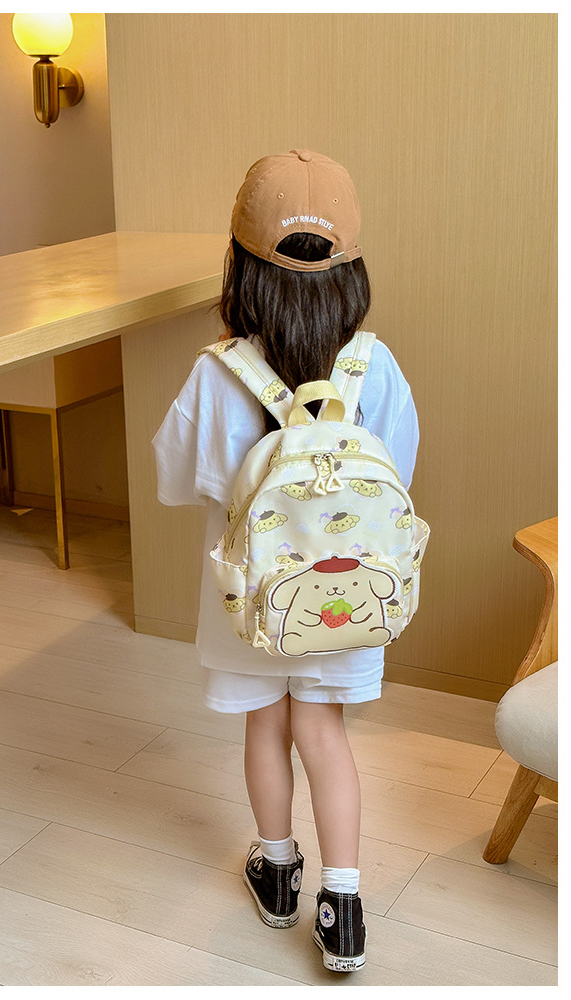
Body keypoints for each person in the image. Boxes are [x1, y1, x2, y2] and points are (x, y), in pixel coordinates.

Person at [152, 150, 419, 974]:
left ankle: (276, 873)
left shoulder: (217, 372)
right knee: (323, 733)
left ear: (240, 265)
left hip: (249, 601)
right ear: (352, 268)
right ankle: (343, 906)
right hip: (348, 594)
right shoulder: (376, 366)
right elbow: (400, 473)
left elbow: (177, 480)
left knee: (266, 726)